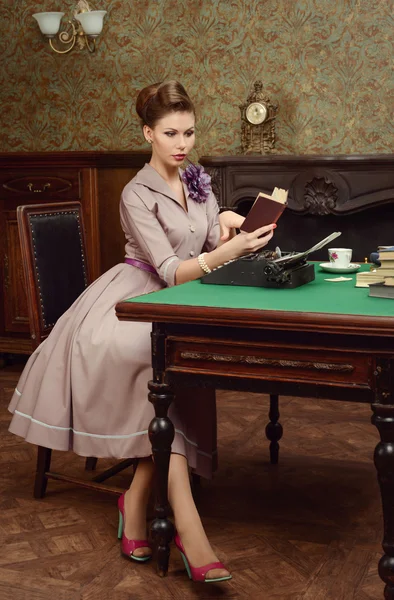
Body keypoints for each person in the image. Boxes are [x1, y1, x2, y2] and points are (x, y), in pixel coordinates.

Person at [8, 81, 276, 583]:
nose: (182, 144)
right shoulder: (135, 192)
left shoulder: (195, 176)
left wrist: (225, 220)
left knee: (175, 368)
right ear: (147, 133)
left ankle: (133, 504)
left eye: (190, 132)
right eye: (170, 133)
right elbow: (172, 270)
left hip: (182, 303)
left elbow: (201, 228)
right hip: (130, 302)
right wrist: (231, 252)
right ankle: (189, 533)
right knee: (154, 365)